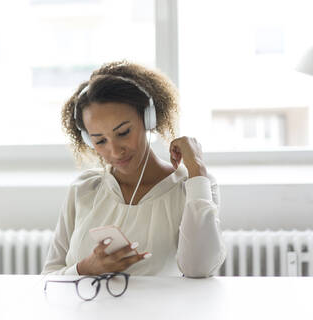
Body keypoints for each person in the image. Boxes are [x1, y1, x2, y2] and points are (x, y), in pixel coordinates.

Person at [41, 61, 226, 277]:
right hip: (87, 311)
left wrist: (197, 170)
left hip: (160, 311)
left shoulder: (191, 188)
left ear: (148, 119)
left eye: (123, 133)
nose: (115, 151)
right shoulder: (84, 189)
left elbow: (199, 269)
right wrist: (85, 269)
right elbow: (49, 276)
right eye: (100, 141)